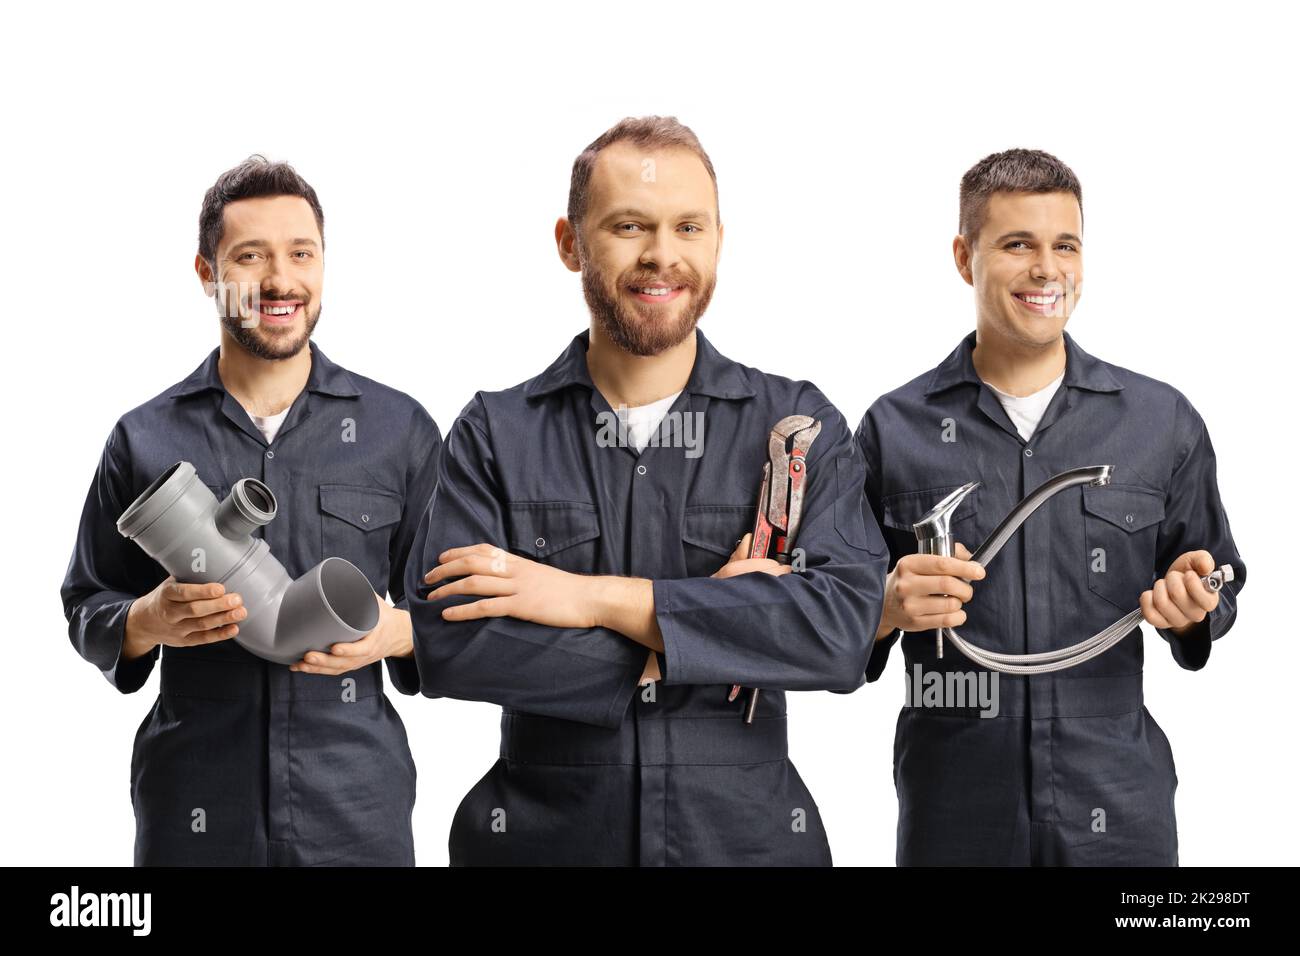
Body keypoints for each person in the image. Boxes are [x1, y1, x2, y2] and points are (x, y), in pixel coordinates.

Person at [405, 116, 889, 866]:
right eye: (630, 226)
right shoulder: (495, 432)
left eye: (688, 227)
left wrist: (587, 599)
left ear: (718, 240)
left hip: (749, 847)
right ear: (570, 242)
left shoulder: (796, 422)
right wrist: (704, 636)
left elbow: (841, 629)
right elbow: (449, 641)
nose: (662, 255)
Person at [856, 148, 1246, 865]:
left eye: (1064, 245)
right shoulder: (893, 430)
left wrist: (1199, 601)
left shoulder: (1161, 423)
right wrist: (886, 606)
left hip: (1119, 813)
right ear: (963, 256)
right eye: (1017, 245)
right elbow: (834, 618)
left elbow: (1219, 579)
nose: (1047, 269)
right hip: (955, 816)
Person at [61, 156, 442, 865]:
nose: (279, 280)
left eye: (301, 253)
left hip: (354, 815)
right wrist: (145, 621)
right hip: (196, 814)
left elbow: (458, 618)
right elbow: (86, 603)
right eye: (249, 256)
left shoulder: (400, 430)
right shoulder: (144, 438)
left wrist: (395, 633)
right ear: (207, 273)